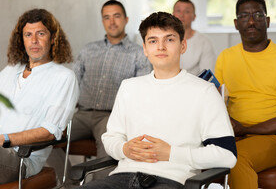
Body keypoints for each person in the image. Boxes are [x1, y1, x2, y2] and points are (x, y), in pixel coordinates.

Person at [80, 12, 237, 189]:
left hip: (171, 180)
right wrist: (124, 149)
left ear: (183, 45)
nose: (161, 47)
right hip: (121, 177)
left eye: (169, 40)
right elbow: (111, 138)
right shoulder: (129, 87)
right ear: (145, 49)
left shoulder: (205, 91)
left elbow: (226, 155)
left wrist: (171, 153)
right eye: (153, 41)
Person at [0, 9, 79, 184]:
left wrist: (0, 139)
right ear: (22, 40)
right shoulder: (8, 71)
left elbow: (49, 132)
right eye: (28, 35)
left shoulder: (64, 77)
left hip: (19, 160)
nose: (34, 40)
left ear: (52, 38)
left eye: (40, 33)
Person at [48, 0, 152, 181]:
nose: (112, 22)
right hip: (81, 115)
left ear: (126, 19)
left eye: (117, 16)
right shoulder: (89, 50)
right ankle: (70, 183)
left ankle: (97, 186)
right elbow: (72, 84)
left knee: (108, 149)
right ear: (102, 21)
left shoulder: (138, 53)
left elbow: (140, 94)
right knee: (45, 138)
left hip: (110, 117)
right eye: (107, 17)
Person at [215, 0, 276, 189]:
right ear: (235, 23)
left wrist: (246, 129)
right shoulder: (226, 57)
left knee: (236, 159)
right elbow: (218, 102)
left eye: (257, 15)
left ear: (267, 21)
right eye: (244, 16)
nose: (250, 21)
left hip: (272, 138)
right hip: (232, 134)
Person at [173, 0, 217, 75]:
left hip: (195, 85)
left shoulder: (204, 42)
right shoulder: (163, 40)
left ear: (194, 17)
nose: (181, 15)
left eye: (187, 11)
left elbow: (206, 76)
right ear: (173, 14)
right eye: (178, 11)